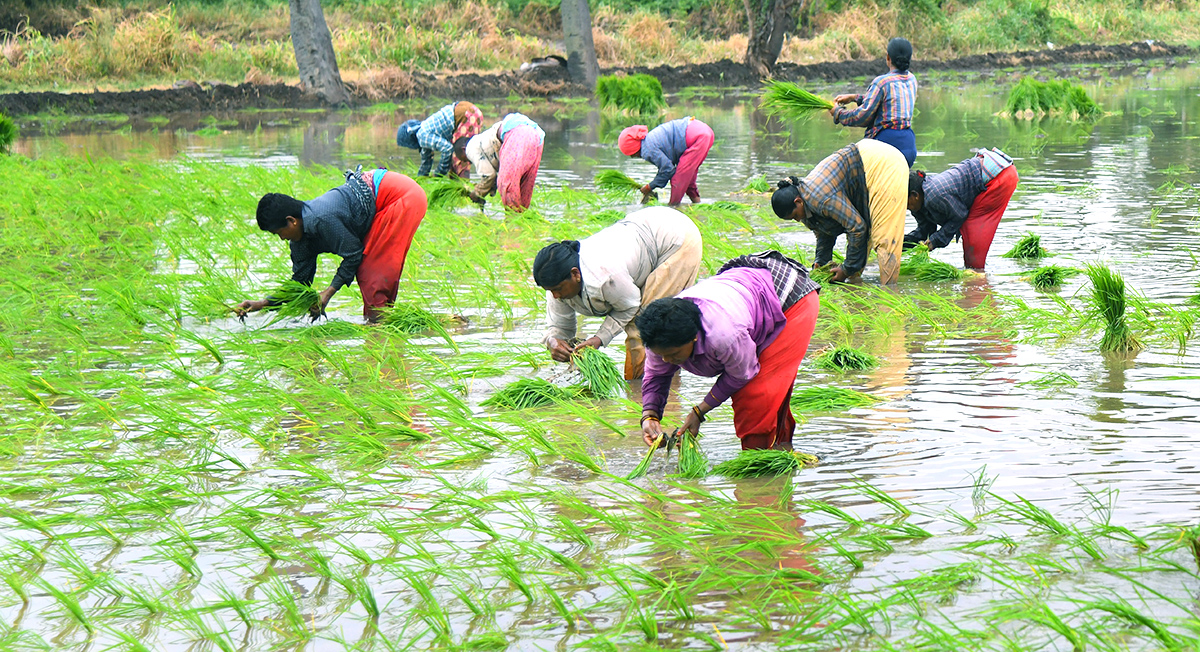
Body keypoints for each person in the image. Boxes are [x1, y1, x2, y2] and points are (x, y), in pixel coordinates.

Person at [638, 251, 821, 451]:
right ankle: (781, 448)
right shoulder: (658, 334)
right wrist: (650, 414)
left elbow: (741, 375)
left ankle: (757, 464)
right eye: (662, 354)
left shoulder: (724, 335)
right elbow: (656, 375)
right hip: (746, 295)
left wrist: (699, 412)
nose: (667, 360)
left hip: (790, 299)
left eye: (674, 354)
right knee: (766, 391)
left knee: (755, 394)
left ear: (694, 337)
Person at [235, 168, 427, 323]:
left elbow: (353, 254)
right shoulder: (300, 242)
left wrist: (328, 292)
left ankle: (380, 333)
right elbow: (300, 283)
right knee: (373, 280)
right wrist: (263, 303)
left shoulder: (321, 219)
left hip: (399, 196)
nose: (282, 239)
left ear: (291, 221)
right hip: (380, 199)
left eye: (279, 233)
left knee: (370, 274)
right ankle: (385, 327)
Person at [533, 206, 703, 380]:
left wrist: (600, 338)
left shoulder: (604, 276)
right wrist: (553, 341)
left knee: (648, 325)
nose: (555, 296)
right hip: (644, 232)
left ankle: (645, 388)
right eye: (550, 291)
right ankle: (648, 386)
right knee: (647, 324)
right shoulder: (556, 284)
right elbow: (561, 328)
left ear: (575, 274)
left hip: (675, 237)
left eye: (558, 289)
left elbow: (630, 306)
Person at [771, 139, 908, 284]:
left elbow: (857, 227)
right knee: (856, 259)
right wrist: (821, 262)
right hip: (862, 169)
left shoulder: (820, 198)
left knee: (883, 239)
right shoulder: (805, 201)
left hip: (882, 163)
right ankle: (857, 289)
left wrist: (846, 269)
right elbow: (824, 231)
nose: (798, 220)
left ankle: (891, 296)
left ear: (797, 202)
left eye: (795, 216)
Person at [904, 148, 1018, 269]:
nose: (904, 208)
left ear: (915, 195)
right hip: (991, 169)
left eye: (904, 201)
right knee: (969, 231)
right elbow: (925, 230)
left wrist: (935, 241)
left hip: (999, 175)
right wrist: (896, 245)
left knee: (971, 230)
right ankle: (974, 274)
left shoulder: (934, 195)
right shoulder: (917, 205)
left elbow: (960, 215)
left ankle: (976, 277)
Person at [831, 37, 918, 167]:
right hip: (908, 146)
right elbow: (888, 103)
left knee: (848, 169)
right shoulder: (912, 79)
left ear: (888, 58)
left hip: (887, 145)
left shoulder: (882, 82)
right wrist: (855, 97)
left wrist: (838, 113)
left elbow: (863, 117)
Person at [454, 113, 545, 212]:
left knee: (507, 184)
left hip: (517, 132)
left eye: (465, 159)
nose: (468, 162)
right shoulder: (482, 140)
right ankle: (523, 222)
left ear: (463, 149)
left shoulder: (470, 148)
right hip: (537, 136)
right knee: (524, 187)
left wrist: (476, 194)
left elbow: (488, 176)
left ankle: (512, 223)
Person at [618, 117, 715, 205]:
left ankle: (673, 208)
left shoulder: (647, 149)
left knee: (678, 179)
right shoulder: (650, 140)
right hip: (703, 131)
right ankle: (698, 205)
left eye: (631, 154)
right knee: (688, 177)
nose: (632, 157)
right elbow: (668, 168)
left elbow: (668, 169)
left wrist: (650, 186)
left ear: (633, 150)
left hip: (697, 137)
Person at [398, 102, 484, 178]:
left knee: (459, 156)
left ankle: (464, 190)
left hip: (467, 115)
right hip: (470, 112)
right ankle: (456, 188)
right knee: (455, 160)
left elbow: (448, 149)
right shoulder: (424, 135)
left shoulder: (422, 136)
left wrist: (439, 173)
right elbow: (426, 163)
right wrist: (420, 179)